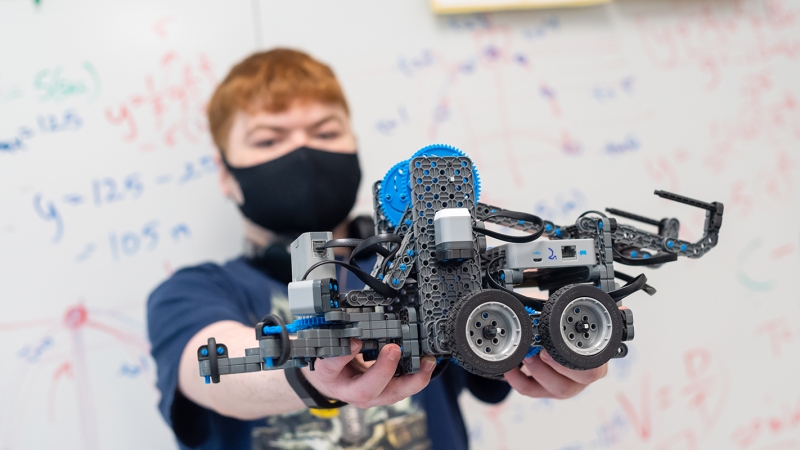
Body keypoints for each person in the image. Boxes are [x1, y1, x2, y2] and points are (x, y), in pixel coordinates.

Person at [147, 48, 608, 450]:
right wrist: (313, 370)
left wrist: (560, 350)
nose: (303, 152)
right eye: (269, 139)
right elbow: (211, 371)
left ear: (354, 147)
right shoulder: (191, 292)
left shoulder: (424, 265)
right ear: (225, 173)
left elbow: (507, 340)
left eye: (325, 133)